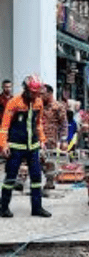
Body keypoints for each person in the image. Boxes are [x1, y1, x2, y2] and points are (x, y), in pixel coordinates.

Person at [0, 75, 51, 218]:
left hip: (33, 146)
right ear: (26, 89)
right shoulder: (14, 102)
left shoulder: (38, 103)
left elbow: (39, 123)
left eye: (37, 93)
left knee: (36, 177)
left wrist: (42, 140)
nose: (36, 95)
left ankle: (37, 208)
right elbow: (4, 126)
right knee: (10, 178)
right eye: (33, 93)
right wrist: (3, 144)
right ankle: (3, 207)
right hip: (16, 146)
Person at [41, 84, 68, 192]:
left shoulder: (58, 106)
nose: (40, 96)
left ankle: (49, 180)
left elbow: (64, 124)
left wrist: (64, 140)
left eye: (43, 94)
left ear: (50, 93)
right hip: (37, 136)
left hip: (51, 138)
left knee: (49, 160)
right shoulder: (38, 105)